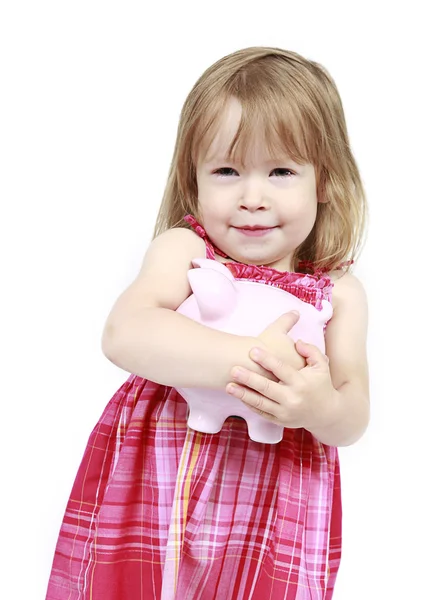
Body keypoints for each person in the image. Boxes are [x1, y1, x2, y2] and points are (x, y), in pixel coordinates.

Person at [46, 46, 369, 600]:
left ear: (325, 181)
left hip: (275, 502)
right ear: (192, 181)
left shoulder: (338, 292)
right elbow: (126, 332)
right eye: (226, 170)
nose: (251, 197)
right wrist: (255, 362)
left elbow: (354, 413)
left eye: (281, 171)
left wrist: (319, 406)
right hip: (161, 480)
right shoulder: (187, 252)